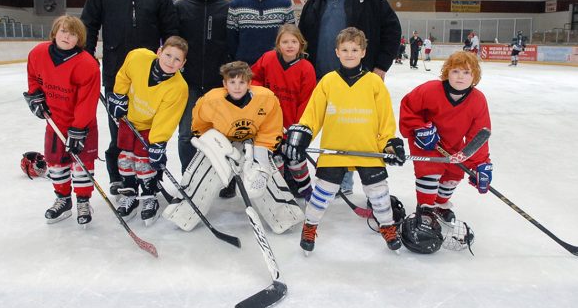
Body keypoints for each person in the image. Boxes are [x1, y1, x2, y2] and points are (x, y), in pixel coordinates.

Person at [284, 27, 407, 255]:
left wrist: (390, 142)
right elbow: (313, 114)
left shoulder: (374, 82)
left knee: (379, 194)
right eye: (345, 49)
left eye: (354, 49)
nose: (349, 53)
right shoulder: (329, 81)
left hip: (368, 150)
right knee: (322, 193)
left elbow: (385, 119)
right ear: (337, 52)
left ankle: (387, 227)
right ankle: (310, 226)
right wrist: (303, 132)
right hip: (334, 151)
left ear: (363, 52)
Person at [298, 0, 402, 195]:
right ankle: (332, 179)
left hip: (360, 78)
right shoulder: (315, 2)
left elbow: (392, 29)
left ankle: (354, 181)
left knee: (356, 127)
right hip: (324, 78)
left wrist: (380, 66)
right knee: (334, 128)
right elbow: (304, 38)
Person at [81, 0, 179, 198]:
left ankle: (153, 177)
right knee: (120, 131)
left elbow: (171, 34)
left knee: (151, 130)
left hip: (152, 77)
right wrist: (87, 59)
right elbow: (88, 25)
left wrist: (171, 66)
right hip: (116, 73)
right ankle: (121, 178)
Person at [162, 61, 304, 234]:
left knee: (263, 174)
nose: (237, 87)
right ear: (224, 84)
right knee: (203, 172)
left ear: (249, 83)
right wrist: (216, 147)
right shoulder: (211, 100)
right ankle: (182, 215)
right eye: (232, 82)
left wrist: (260, 161)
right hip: (221, 143)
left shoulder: (266, 99)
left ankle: (285, 217)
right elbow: (200, 126)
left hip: (252, 143)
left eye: (242, 82)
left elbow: (270, 130)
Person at [398, 51, 491, 254]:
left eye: (466, 72)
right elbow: (408, 107)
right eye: (455, 71)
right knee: (430, 170)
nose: (460, 76)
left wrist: (480, 165)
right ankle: (426, 208)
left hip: (453, 143)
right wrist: (420, 127)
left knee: (454, 174)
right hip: (426, 141)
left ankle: (440, 204)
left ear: (474, 76)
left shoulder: (478, 100)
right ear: (446, 72)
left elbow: (478, 136)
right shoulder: (430, 90)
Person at [23, 15, 100, 226]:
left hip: (82, 126)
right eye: (64, 31)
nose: (67, 36)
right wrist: (35, 96)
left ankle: (83, 201)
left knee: (82, 166)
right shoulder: (38, 53)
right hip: (55, 122)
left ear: (80, 39)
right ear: (55, 32)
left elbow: (87, 101)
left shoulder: (87, 64)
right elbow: (33, 77)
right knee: (56, 165)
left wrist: (78, 129)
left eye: (73, 33)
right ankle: (63, 201)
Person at [106, 37, 188, 224]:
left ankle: (149, 197)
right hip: (130, 120)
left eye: (177, 59)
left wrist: (158, 142)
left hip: (151, 127)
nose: (171, 61)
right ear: (159, 52)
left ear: (183, 64)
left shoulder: (179, 88)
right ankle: (130, 195)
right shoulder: (138, 57)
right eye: (168, 55)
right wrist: (119, 95)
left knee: (144, 163)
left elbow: (166, 118)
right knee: (125, 159)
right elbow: (124, 75)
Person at [175, 0, 229, 173]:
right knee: (187, 134)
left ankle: (224, 178)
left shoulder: (227, 8)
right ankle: (189, 178)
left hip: (219, 84)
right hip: (189, 83)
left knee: (222, 134)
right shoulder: (181, 8)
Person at [251, 24, 317, 199]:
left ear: (300, 44)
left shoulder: (306, 68)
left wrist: (297, 128)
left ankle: (305, 188)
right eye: (285, 41)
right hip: (269, 124)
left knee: (295, 156)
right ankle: (278, 188)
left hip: (291, 124)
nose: (289, 45)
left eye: (294, 41)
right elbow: (253, 78)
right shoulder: (268, 58)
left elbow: (307, 101)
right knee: (275, 159)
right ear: (278, 44)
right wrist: (264, 95)